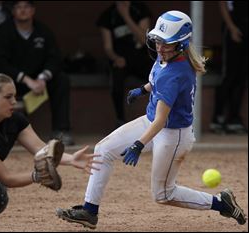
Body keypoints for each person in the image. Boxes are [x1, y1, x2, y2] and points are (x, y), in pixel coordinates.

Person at [56, 11, 247, 229]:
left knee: (163, 194)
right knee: (104, 149)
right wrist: (142, 89)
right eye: (158, 41)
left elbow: (161, 120)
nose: (160, 47)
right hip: (152, 122)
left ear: (181, 45)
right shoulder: (168, 56)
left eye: (167, 44)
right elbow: (156, 79)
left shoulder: (174, 74)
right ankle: (89, 211)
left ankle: (222, 204)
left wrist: (138, 145)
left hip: (173, 135)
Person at [0, 73, 102, 232]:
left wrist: (71, 159)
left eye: (14, 96)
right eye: (8, 97)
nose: (14, 102)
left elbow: (40, 149)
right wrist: (37, 176)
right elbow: (7, 178)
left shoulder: (14, 120)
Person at [0, 1, 74, 145]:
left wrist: (43, 77)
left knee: (61, 80)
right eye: (18, 7)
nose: (23, 10)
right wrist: (25, 79)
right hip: (12, 81)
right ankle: (0, 132)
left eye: (26, 7)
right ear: (13, 11)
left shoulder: (43, 31)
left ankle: (61, 131)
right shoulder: (2, 31)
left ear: (33, 10)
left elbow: (55, 58)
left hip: (39, 82)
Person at [96, 1, 154, 128]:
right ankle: (120, 119)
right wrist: (115, 58)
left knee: (158, 77)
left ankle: (159, 114)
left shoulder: (139, 9)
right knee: (116, 78)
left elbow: (144, 40)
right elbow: (108, 47)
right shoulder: (108, 15)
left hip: (141, 58)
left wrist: (126, 16)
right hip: (121, 60)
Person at [210, 1, 248, 134]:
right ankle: (217, 118)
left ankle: (234, 119)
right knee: (228, 75)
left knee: (242, 77)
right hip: (233, 28)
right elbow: (223, 4)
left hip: (245, 27)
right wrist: (231, 28)